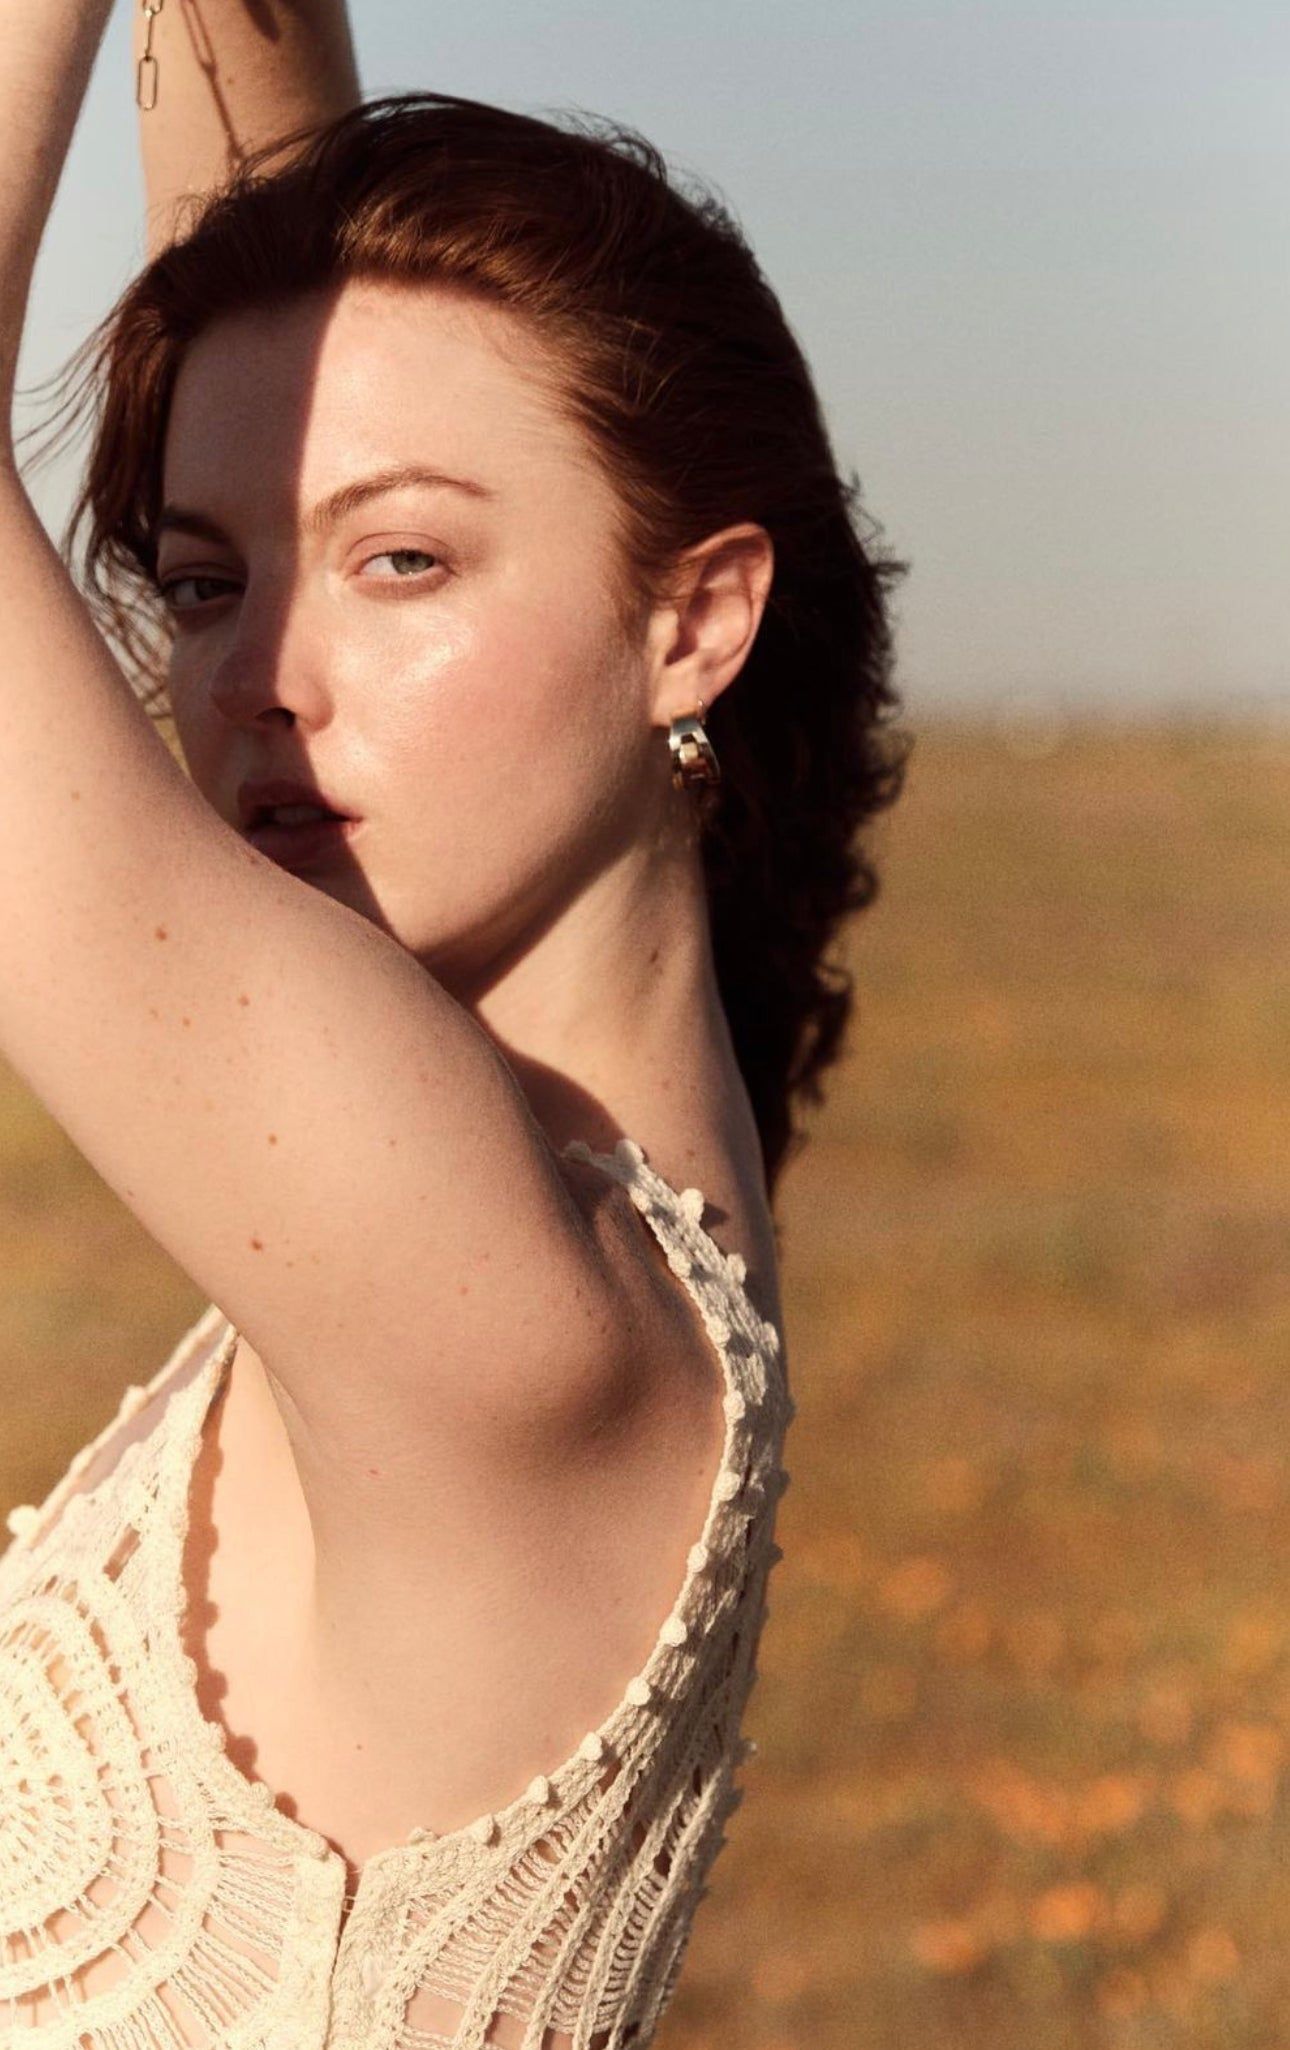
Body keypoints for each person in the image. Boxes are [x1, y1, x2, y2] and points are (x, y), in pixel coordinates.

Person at [0, 2, 910, 2043]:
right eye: (206, 577)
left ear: (695, 616)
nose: (263, 679)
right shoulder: (586, 1167)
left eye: (401, 560)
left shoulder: (499, 1291)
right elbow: (284, 268)